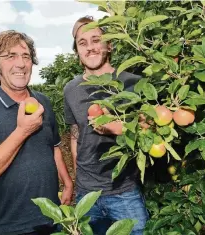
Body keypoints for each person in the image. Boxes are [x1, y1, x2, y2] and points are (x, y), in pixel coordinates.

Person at [0, 30, 73, 235]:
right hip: (13, 226)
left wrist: (67, 183)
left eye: (26, 56)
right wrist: (22, 131)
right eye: (10, 56)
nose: (20, 63)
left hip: (53, 218)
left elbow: (54, 146)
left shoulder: (43, 102)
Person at [63, 16, 149, 235]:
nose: (90, 48)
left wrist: (117, 128)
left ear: (109, 44)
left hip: (124, 192)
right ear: (77, 52)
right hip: (86, 195)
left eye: (96, 40)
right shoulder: (71, 89)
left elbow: (152, 130)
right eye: (82, 43)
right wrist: (77, 180)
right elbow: (75, 136)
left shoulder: (131, 82)